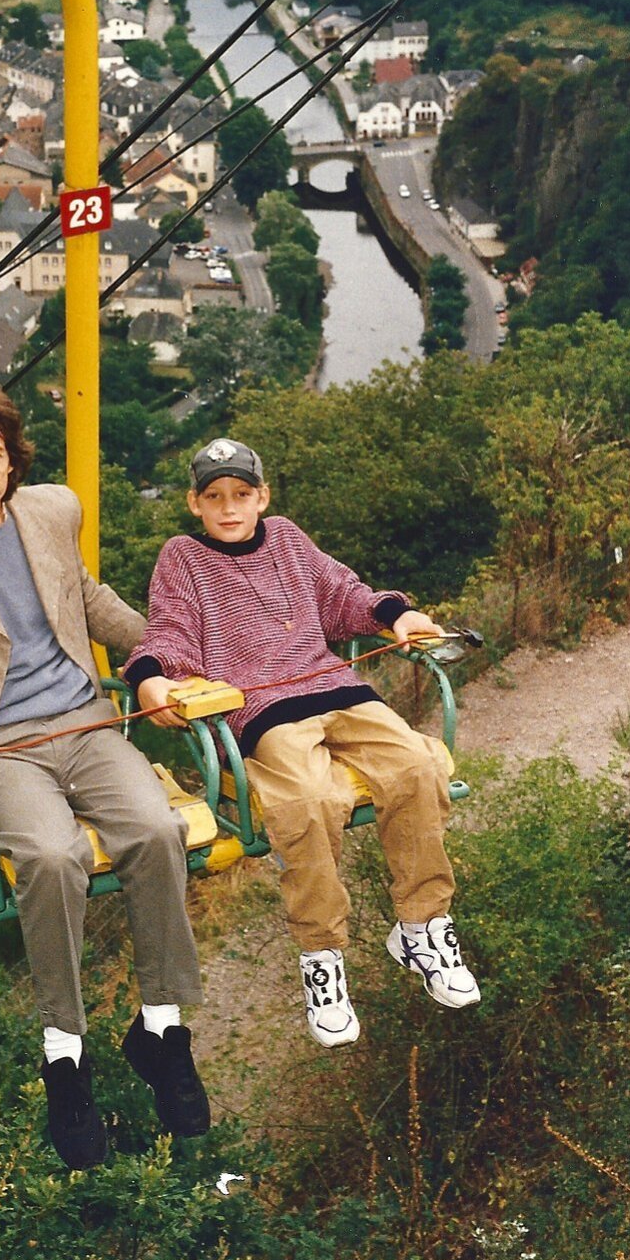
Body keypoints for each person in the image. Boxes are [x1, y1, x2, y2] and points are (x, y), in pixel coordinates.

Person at [0, 379, 210, 1168]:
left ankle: (163, 1031)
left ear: (12, 462)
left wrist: (155, 661)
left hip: (83, 720)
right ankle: (65, 1054)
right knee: (53, 858)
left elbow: (85, 598)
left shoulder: (53, 512)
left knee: (159, 828)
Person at [126, 437, 479, 1049]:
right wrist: (153, 676)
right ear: (194, 504)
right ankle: (322, 957)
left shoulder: (287, 539)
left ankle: (423, 926)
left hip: (336, 687)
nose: (229, 508)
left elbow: (344, 595)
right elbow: (172, 630)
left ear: (262, 496)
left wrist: (396, 617)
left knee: (418, 764)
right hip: (263, 708)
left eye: (242, 495)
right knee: (308, 800)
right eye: (214, 498)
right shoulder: (181, 558)